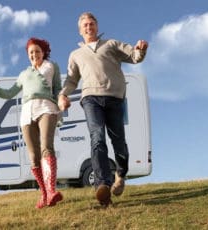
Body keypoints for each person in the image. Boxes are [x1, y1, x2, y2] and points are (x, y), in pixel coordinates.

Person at [57, 12, 148, 207]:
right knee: (97, 137)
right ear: (80, 31)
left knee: (119, 142)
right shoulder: (76, 55)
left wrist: (141, 50)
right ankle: (102, 185)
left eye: (91, 24)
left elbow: (134, 56)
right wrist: (63, 94)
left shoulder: (111, 45)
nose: (88, 27)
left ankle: (120, 175)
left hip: (114, 98)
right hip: (90, 99)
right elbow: (72, 79)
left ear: (97, 27)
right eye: (85, 25)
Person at [0, 37, 63, 209]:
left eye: (37, 51)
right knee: (33, 156)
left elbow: (58, 88)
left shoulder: (52, 66)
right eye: (31, 52)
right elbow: (9, 93)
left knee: (47, 146)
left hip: (46, 108)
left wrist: (61, 104)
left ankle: (52, 190)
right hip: (27, 114)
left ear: (43, 52)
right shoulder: (24, 74)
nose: (34, 54)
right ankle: (44, 194)